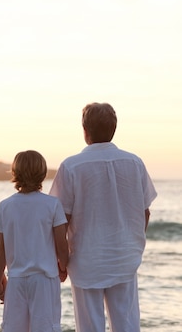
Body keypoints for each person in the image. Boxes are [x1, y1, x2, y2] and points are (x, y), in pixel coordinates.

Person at [49, 102, 158, 332]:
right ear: (113, 129)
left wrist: (61, 260)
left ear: (85, 131)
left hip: (86, 259)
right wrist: (132, 243)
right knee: (127, 325)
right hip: (124, 258)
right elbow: (144, 212)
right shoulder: (135, 163)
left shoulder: (71, 166)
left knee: (89, 326)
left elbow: (60, 221)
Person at [0, 150, 69, 332]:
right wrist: (63, 266)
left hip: (16, 280)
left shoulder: (5, 206)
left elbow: (2, 249)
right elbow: (61, 245)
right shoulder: (52, 204)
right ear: (42, 174)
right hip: (44, 279)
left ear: (15, 173)